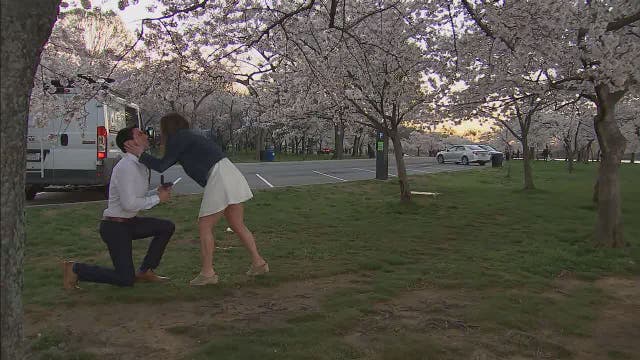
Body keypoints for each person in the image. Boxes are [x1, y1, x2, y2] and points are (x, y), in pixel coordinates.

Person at [125, 113, 268, 286]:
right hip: (229, 172)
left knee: (205, 225)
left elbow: (162, 166)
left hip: (219, 176)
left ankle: (208, 273)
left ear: (167, 128)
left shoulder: (179, 138)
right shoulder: (189, 137)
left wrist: (140, 154)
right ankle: (259, 263)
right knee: (237, 224)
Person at [62, 126, 175, 289]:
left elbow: (136, 196)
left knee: (166, 227)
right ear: (130, 143)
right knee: (125, 279)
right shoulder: (126, 167)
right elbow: (129, 204)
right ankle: (75, 269)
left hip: (129, 222)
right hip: (115, 227)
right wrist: (158, 198)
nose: (145, 136)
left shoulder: (140, 164)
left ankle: (145, 270)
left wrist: (156, 192)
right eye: (140, 134)